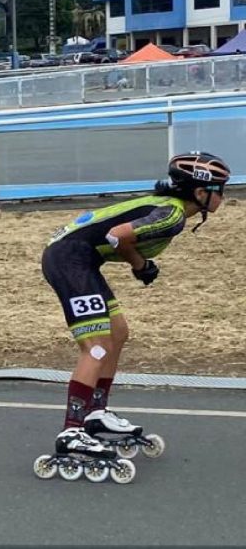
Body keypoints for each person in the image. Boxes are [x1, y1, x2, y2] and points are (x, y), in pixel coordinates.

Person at [37, 152, 230, 480]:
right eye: (219, 190)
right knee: (96, 346)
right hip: (70, 259)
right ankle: (71, 431)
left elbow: (115, 235)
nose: (222, 197)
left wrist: (140, 264)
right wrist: (140, 265)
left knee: (117, 332)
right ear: (200, 192)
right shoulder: (172, 216)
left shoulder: (168, 207)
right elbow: (118, 235)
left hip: (79, 257)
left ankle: (95, 413)